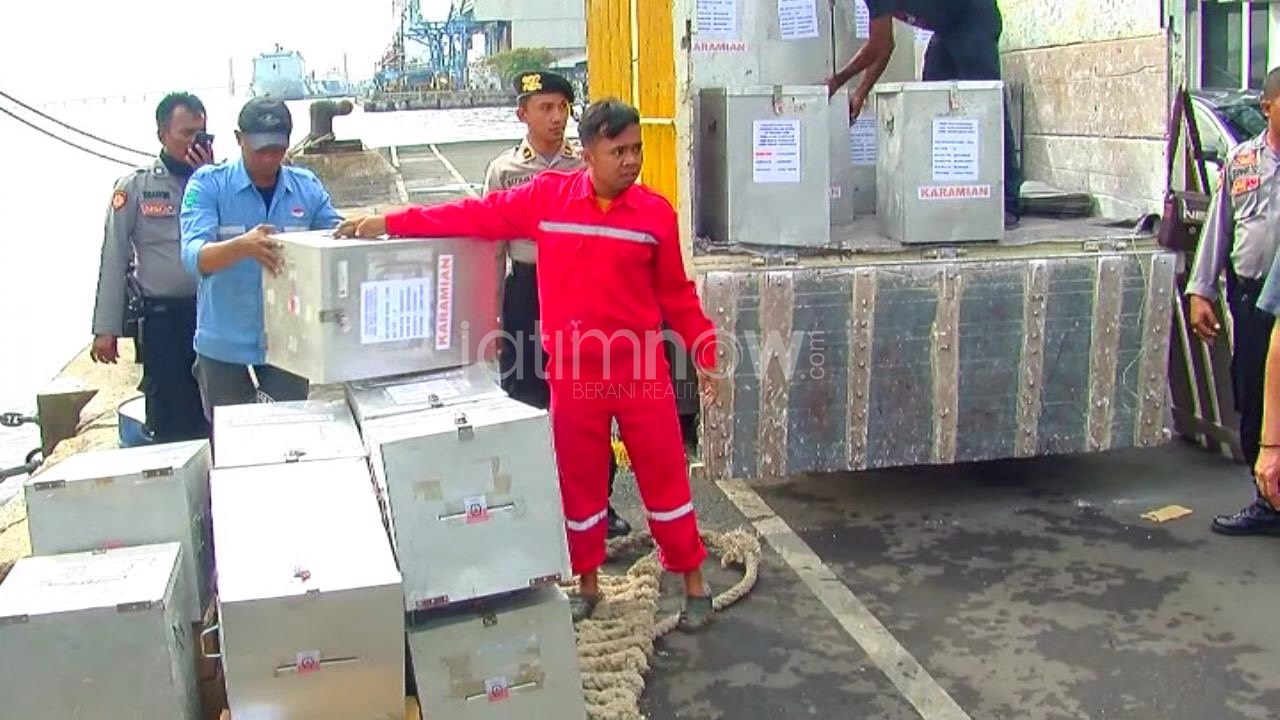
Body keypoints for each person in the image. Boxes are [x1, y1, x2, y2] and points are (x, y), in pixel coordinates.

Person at [335, 99, 721, 632]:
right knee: (578, 482)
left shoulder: (655, 214)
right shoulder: (548, 199)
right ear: (586, 154)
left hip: (640, 374)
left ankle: (694, 585)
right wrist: (387, 222)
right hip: (572, 374)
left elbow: (677, 296)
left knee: (666, 477)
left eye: (636, 149)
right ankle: (587, 583)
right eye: (618, 151)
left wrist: (706, 352)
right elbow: (474, 217)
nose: (631, 161)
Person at [485, 70, 630, 538]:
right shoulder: (504, 170)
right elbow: (493, 244)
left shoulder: (584, 165)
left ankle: (599, 505)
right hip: (526, 291)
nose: (554, 117)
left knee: (590, 400)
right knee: (526, 400)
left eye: (562, 107)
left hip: (581, 293)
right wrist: (493, 311)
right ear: (522, 113)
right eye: (543, 108)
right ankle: (530, 506)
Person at [179, 97, 343, 421]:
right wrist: (241, 247)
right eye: (259, 150)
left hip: (289, 340)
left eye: (276, 150)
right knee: (232, 440)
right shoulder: (207, 184)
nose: (268, 159)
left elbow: (336, 238)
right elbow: (192, 257)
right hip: (223, 341)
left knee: (288, 434)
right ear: (239, 139)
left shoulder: (306, 188)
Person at [826, 0, 1022, 228]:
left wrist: (838, 80)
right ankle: (951, 199)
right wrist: (861, 93)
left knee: (987, 105)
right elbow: (886, 45)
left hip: (974, 17)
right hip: (947, 27)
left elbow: (879, 45)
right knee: (933, 106)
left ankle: (1008, 203)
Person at [90, 92, 214, 443]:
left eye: (201, 134)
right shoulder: (136, 188)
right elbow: (113, 256)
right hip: (164, 320)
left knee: (218, 415)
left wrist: (207, 177)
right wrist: (106, 328)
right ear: (162, 135)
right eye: (186, 134)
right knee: (170, 417)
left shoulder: (217, 183)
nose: (195, 142)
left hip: (212, 313)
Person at [1194, 68, 1280, 536]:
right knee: (1252, 396)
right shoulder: (1243, 161)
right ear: (1267, 106)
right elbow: (1218, 229)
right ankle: (1265, 499)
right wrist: (1200, 290)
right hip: (1251, 301)